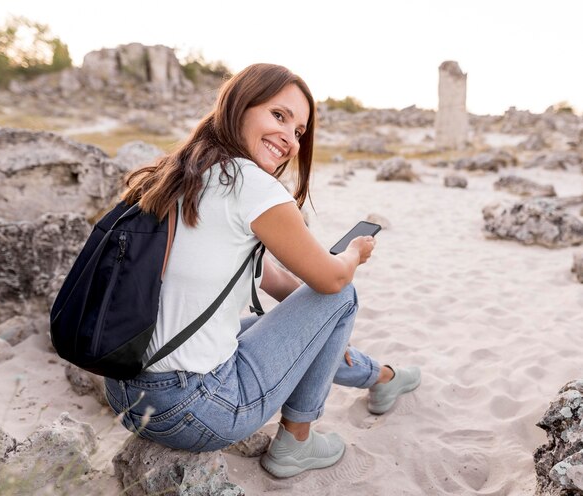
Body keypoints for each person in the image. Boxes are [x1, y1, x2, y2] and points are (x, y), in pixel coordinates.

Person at [104, 63, 421, 478]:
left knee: (306, 318)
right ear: (238, 106)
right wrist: (355, 254)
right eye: (279, 116)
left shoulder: (181, 173)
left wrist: (321, 331)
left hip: (125, 391)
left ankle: (380, 377)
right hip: (191, 410)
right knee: (342, 296)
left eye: (299, 131)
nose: (289, 139)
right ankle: (296, 442)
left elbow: (271, 279)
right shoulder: (251, 184)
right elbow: (332, 281)